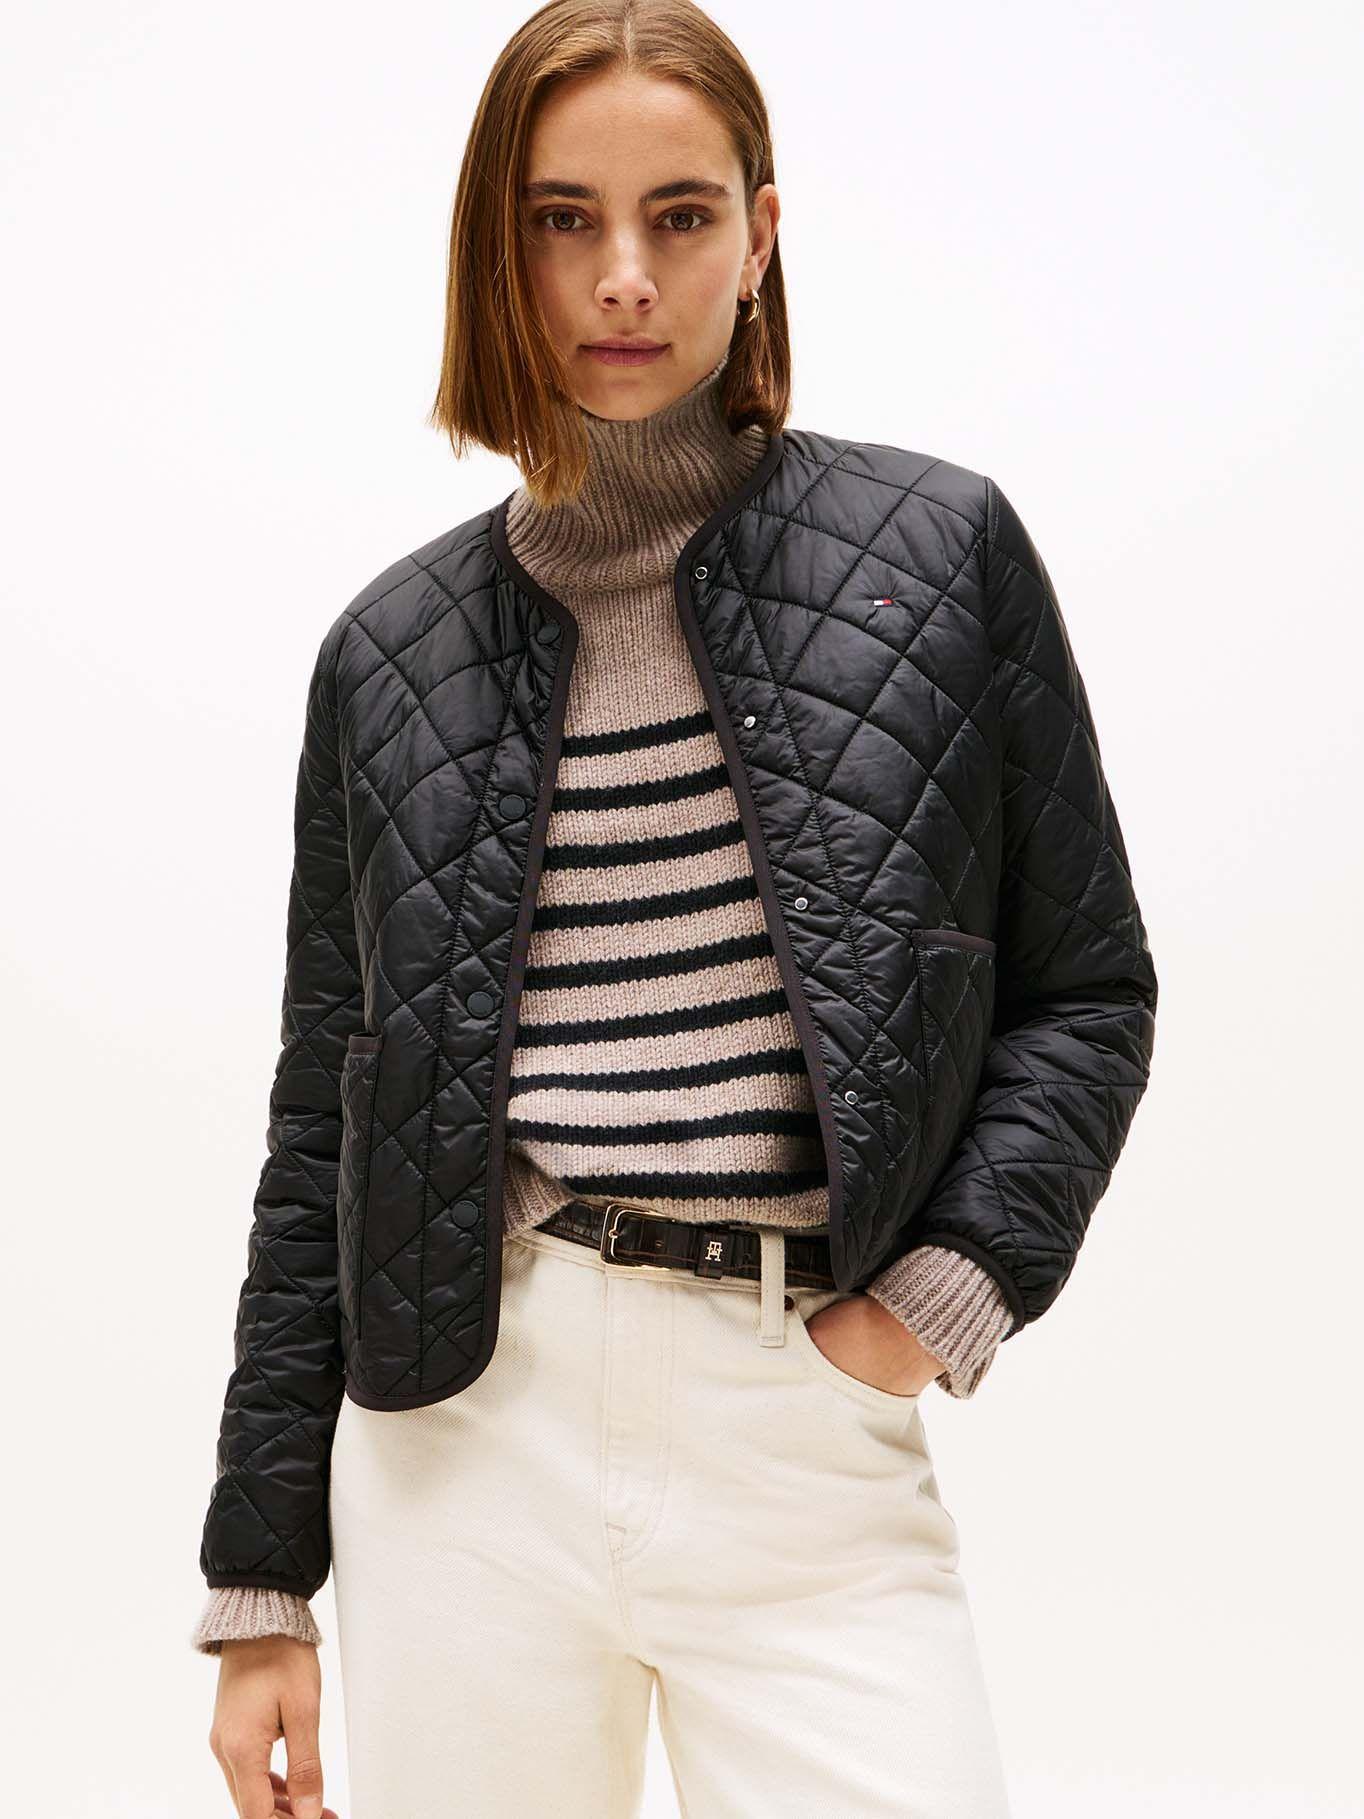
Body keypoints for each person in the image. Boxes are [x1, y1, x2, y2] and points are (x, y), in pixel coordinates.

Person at [193, 3, 1158, 1815]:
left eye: (682, 215)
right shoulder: (388, 655)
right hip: (466, 1440)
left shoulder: (940, 554)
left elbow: (1088, 989)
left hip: (802, 1425)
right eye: (563, 220)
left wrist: (938, 1300)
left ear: (761, 236)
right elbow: (326, 1115)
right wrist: (261, 1583)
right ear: (497, 249)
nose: (622, 276)